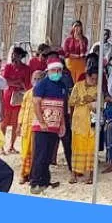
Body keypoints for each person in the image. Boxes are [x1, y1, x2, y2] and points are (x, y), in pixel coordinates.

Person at [29, 59, 69, 195]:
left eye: (59, 71)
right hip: (42, 126)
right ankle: (35, 182)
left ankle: (45, 180)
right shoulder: (41, 85)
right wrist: (42, 122)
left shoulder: (62, 85)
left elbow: (62, 106)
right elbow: (36, 104)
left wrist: (62, 124)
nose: (56, 73)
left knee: (48, 155)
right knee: (39, 155)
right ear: (48, 71)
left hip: (55, 126)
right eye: (54, 70)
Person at [66, 65, 99, 184]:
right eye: (92, 79)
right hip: (79, 121)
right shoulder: (78, 86)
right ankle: (74, 174)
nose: (94, 81)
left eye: (96, 79)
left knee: (91, 148)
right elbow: (71, 101)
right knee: (76, 148)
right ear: (87, 76)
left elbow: (100, 106)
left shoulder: (98, 88)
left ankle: (89, 175)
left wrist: (94, 103)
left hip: (92, 122)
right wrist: (83, 100)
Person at [0, 47, 30, 154]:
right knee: (3, 123)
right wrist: (18, 82)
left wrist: (15, 82)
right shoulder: (8, 67)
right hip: (7, 97)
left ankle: (12, 145)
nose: (14, 57)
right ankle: (1, 146)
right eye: (13, 55)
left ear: (21, 56)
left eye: (16, 55)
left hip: (19, 97)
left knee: (15, 123)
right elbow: (5, 81)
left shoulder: (26, 69)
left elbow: (26, 84)